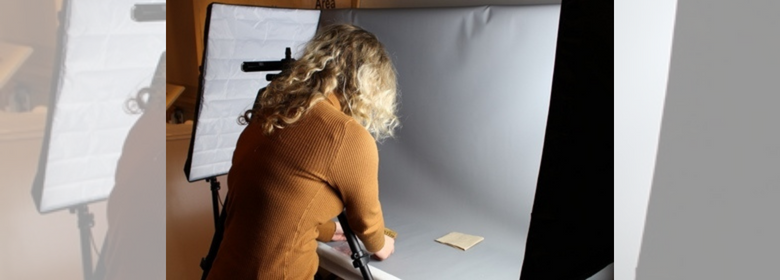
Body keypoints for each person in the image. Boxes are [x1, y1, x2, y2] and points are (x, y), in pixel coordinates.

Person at [206, 24, 400, 280]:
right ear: (368, 83)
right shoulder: (346, 135)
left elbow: (276, 204)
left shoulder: (271, 110)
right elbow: (366, 219)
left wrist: (329, 231)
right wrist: (380, 244)